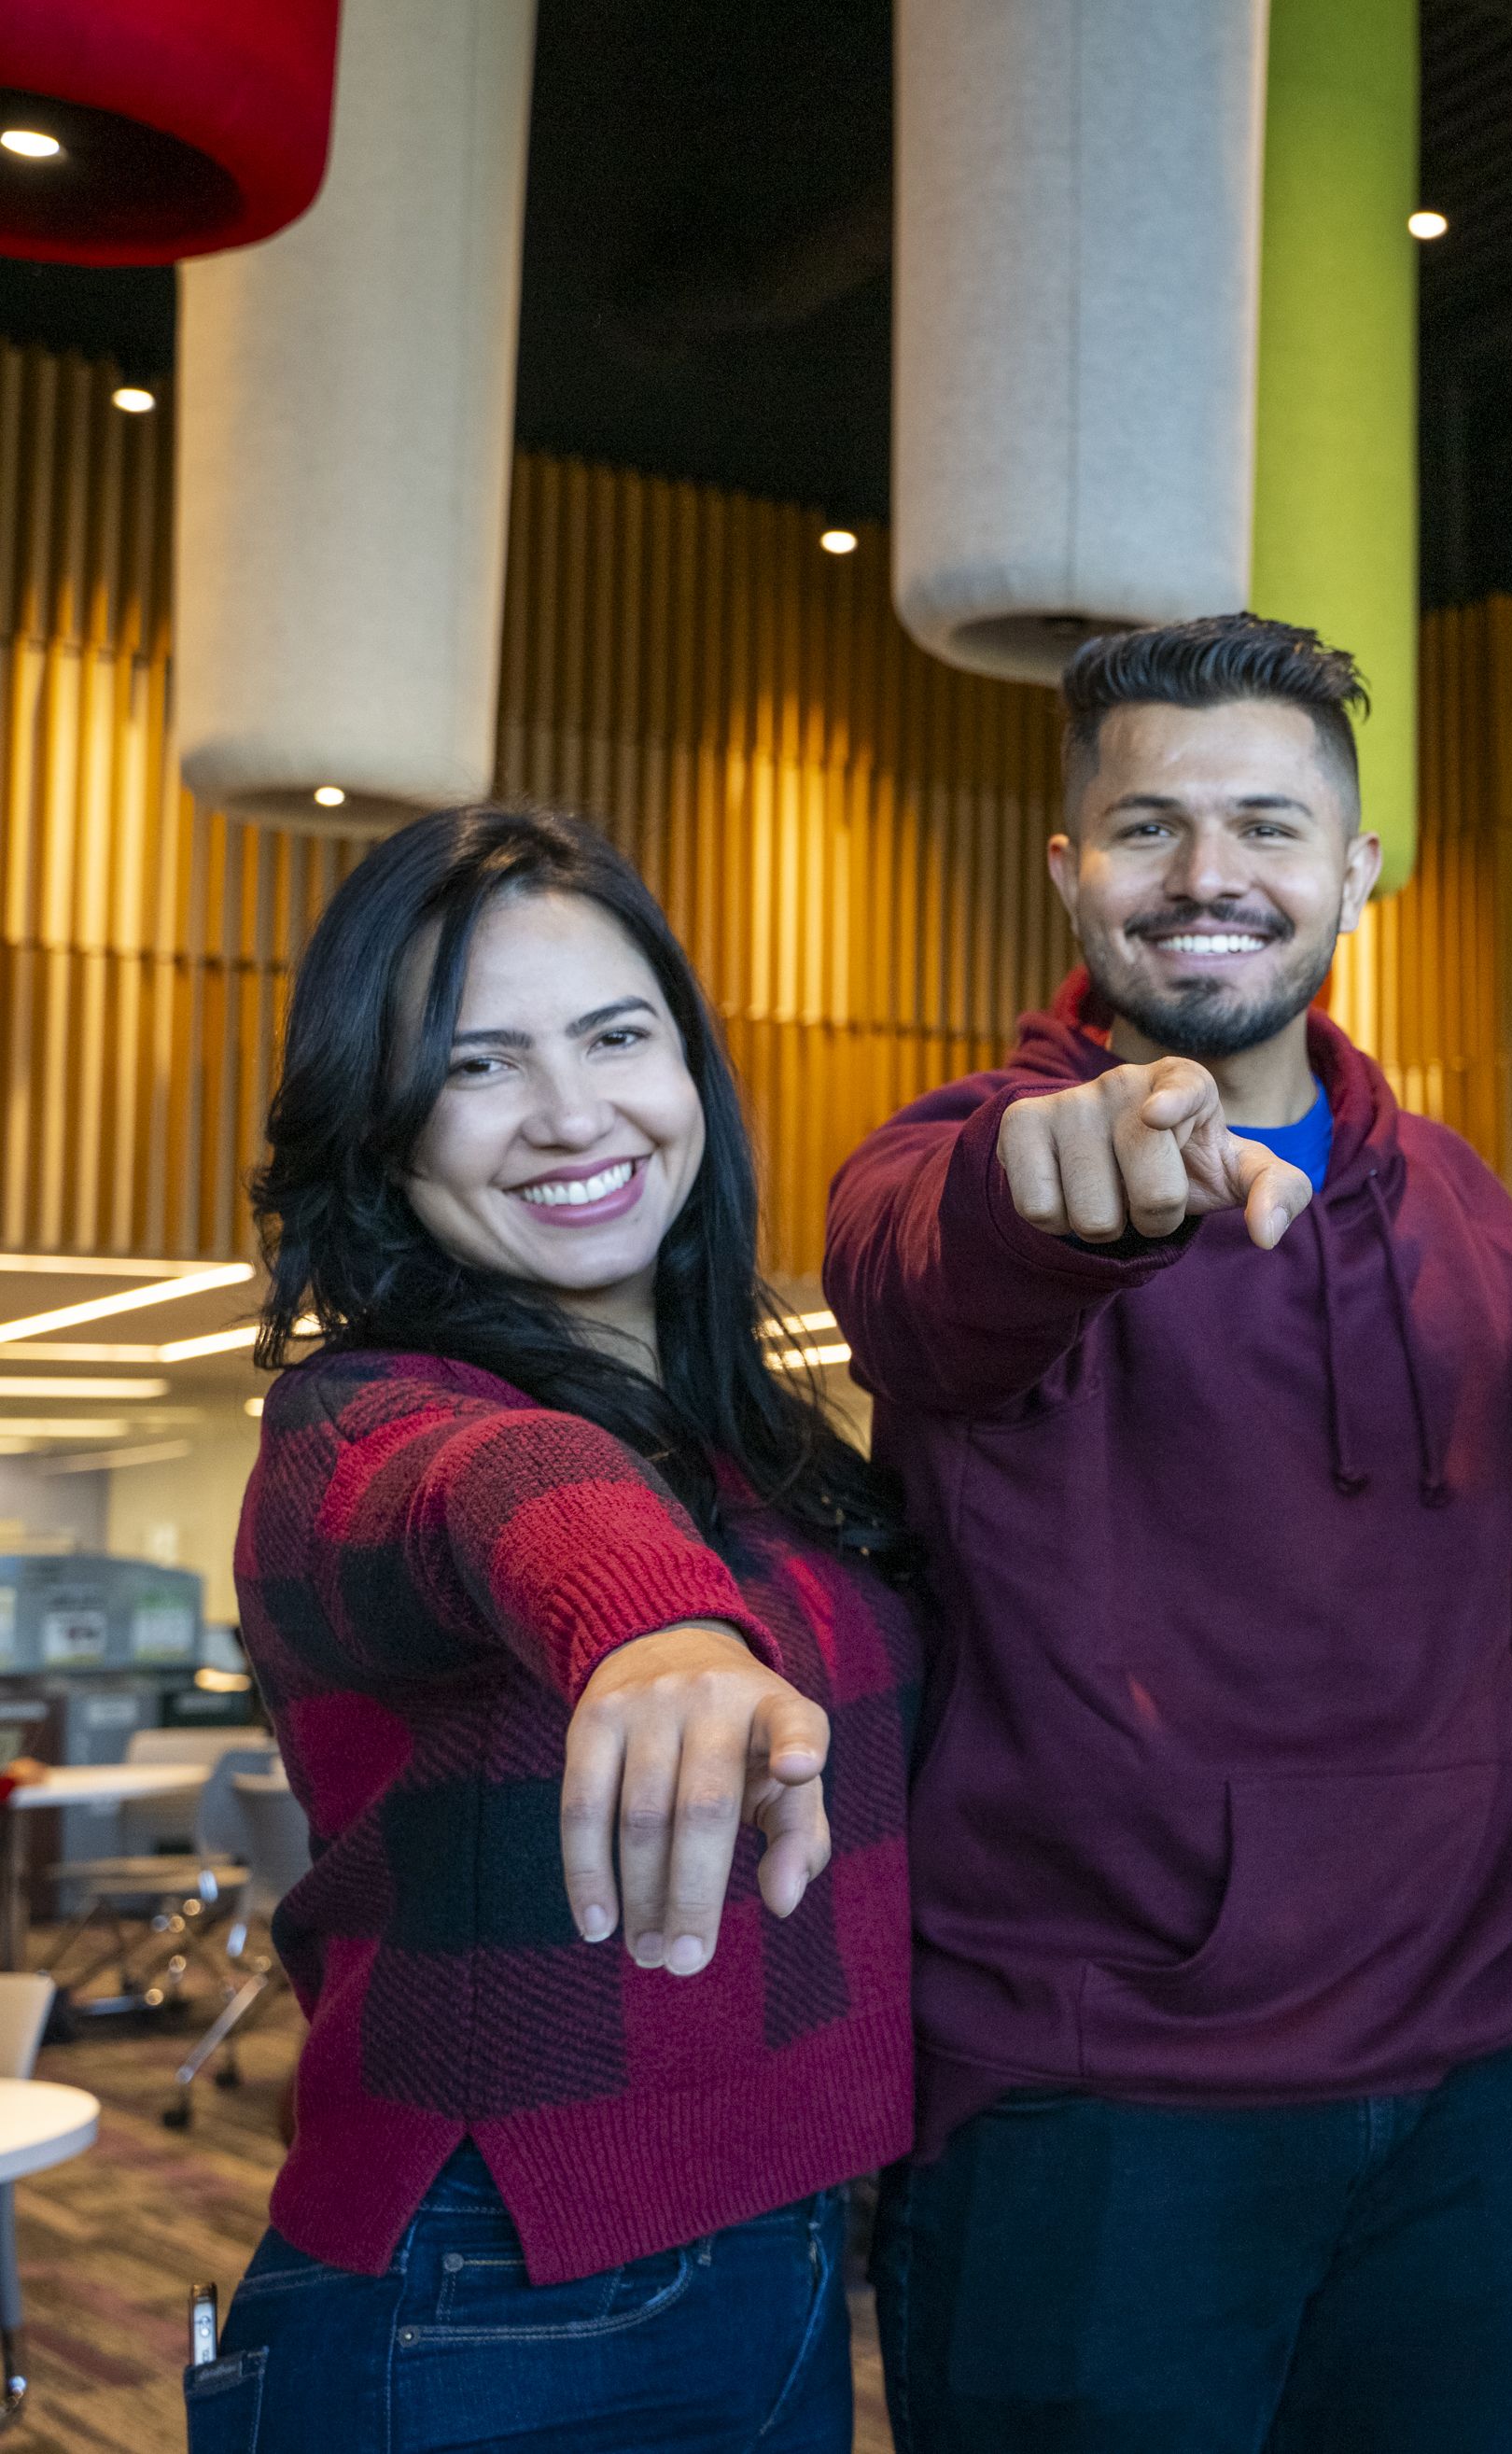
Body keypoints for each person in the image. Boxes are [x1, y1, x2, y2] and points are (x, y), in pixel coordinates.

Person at [825, 612, 1512, 2452]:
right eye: (1149, 827)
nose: (1210, 876)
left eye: (1269, 826)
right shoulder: (946, 1159)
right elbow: (929, 1275)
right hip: (1092, 2098)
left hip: (1464, 2080)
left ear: (1355, 867)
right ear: (1069, 869)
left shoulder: (1462, 1205)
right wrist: (1063, 1199)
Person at [196, 806, 920, 2452]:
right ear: (381, 1133)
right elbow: (498, 1489)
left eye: (616, 1034)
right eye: (476, 1065)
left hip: (794, 2243)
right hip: (481, 2284)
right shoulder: (356, 1418)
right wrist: (655, 1622)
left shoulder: (777, 1449)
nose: (573, 1111)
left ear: (693, 1068)